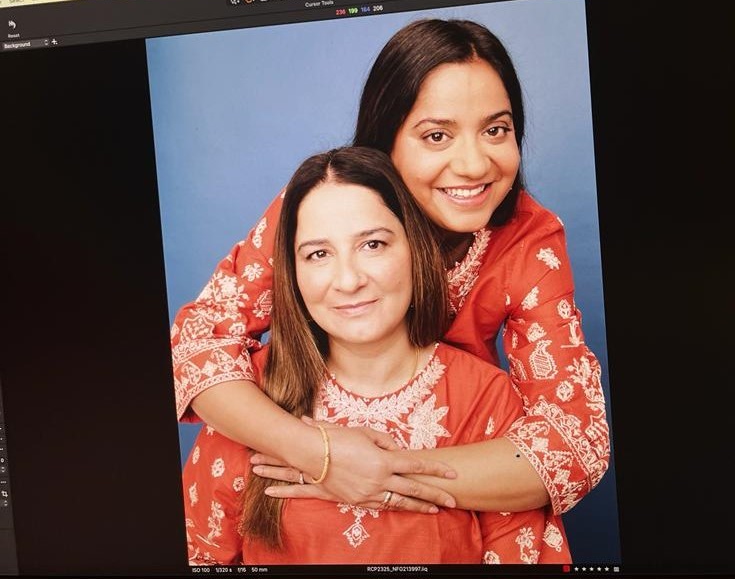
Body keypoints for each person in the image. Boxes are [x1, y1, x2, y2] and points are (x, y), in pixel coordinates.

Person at [172, 18, 609, 518]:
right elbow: (198, 346)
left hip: (461, 462)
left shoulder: (528, 237)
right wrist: (321, 455)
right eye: (437, 135)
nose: (473, 164)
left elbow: (576, 439)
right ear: (385, 144)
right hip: (304, 458)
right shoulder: (323, 204)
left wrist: (377, 474)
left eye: (495, 129)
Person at [182, 147, 571, 564]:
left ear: (414, 248)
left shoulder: (486, 399)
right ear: (292, 275)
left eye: (372, 244)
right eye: (318, 254)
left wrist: (382, 470)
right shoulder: (248, 397)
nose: (348, 280)